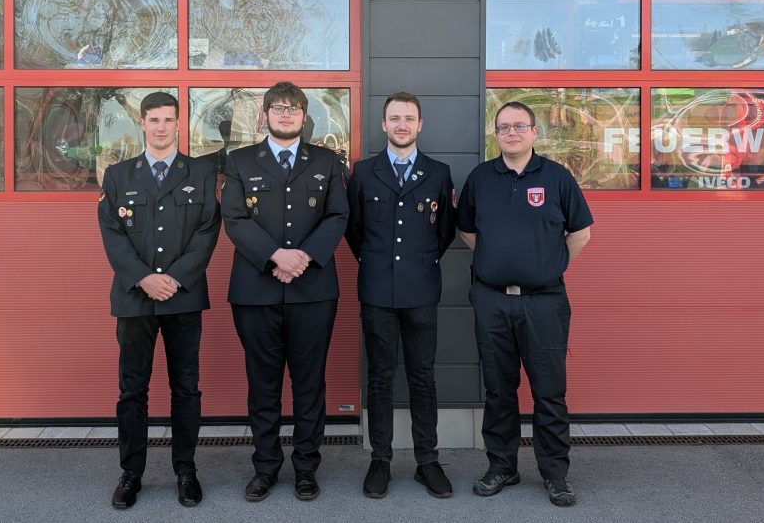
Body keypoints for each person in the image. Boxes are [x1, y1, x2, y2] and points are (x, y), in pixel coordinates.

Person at [456, 100, 592, 507]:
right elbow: (467, 232)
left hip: (544, 304)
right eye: (503, 127)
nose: (511, 133)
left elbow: (581, 232)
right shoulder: (480, 178)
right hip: (493, 302)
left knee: (549, 392)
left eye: (519, 126)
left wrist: (547, 266)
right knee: (498, 390)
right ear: (495, 135)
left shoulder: (556, 177)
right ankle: (502, 466)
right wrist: (498, 264)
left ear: (534, 132)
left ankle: (555, 474)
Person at [220, 81, 348, 502]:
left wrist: (303, 257)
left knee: (310, 384)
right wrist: (277, 255)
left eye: (293, 108)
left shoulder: (328, 161)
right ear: (265, 115)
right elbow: (235, 219)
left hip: (313, 291)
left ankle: (307, 469)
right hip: (256, 291)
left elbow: (337, 215)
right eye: (278, 107)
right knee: (263, 385)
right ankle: (266, 467)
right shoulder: (239, 161)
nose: (286, 114)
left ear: (304, 115)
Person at [97, 91, 221, 509]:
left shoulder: (202, 173)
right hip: (135, 301)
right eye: (154, 120)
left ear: (178, 124)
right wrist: (144, 279)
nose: (162, 127)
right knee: (132, 391)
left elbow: (207, 231)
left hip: (183, 300)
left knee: (186, 389)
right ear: (143, 124)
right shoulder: (117, 176)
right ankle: (131, 473)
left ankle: (186, 470)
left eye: (169, 119)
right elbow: (112, 236)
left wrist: (173, 280)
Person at [345, 92, 456, 499]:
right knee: (380, 378)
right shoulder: (363, 173)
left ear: (420, 124)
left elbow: (443, 231)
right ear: (383, 125)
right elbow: (354, 231)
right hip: (376, 291)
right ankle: (381, 460)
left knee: (422, 378)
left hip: (422, 290)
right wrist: (379, 264)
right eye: (395, 118)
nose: (402, 124)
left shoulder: (439, 174)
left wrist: (418, 262)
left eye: (409, 118)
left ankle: (428, 461)